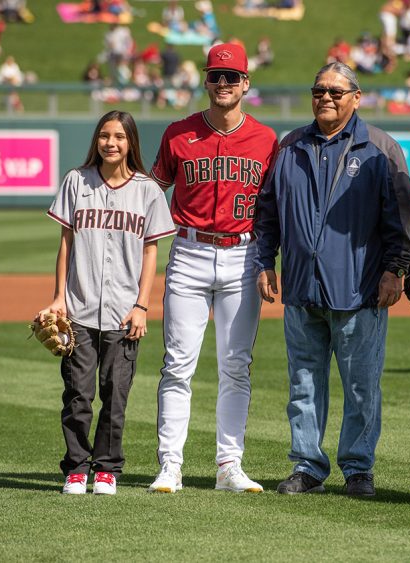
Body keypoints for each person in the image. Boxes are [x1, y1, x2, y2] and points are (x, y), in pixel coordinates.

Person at [255, 62, 410, 497]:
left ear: (356, 97)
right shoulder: (290, 146)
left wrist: (395, 269)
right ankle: (307, 465)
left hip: (359, 288)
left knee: (362, 386)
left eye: (336, 92)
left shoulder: (380, 147)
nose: (326, 97)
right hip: (302, 287)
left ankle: (358, 467)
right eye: (319, 89)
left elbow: (400, 220)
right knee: (303, 385)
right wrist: (264, 261)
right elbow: (266, 213)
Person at [147, 43, 279, 494]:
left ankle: (229, 465)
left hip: (243, 256)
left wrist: (267, 260)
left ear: (246, 82)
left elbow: (271, 211)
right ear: (205, 81)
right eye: (215, 76)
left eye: (231, 77)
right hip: (189, 253)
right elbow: (150, 196)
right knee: (178, 365)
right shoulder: (178, 133)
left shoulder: (265, 139)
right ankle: (170, 464)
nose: (222, 84)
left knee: (236, 365)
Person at [38, 110, 176, 495]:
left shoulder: (147, 189)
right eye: (104, 135)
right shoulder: (76, 181)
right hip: (79, 309)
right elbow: (66, 242)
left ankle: (108, 469)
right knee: (78, 394)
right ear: (96, 140)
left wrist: (142, 305)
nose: (110, 143)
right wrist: (58, 297)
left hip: (124, 311)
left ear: (131, 142)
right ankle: (77, 468)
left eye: (119, 136)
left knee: (116, 394)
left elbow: (152, 252)